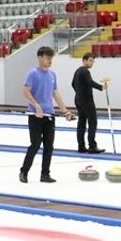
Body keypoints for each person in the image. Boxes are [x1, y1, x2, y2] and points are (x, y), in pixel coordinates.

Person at [19, 46, 72, 183]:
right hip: (35, 115)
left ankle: (45, 174)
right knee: (36, 144)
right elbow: (25, 91)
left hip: (49, 115)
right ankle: (24, 171)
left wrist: (65, 110)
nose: (50, 61)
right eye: (48, 58)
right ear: (40, 57)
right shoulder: (32, 73)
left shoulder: (52, 74)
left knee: (49, 146)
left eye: (51, 58)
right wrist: (36, 106)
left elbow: (55, 93)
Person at [71, 52, 109, 153]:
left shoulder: (77, 71)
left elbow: (72, 84)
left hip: (78, 99)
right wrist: (101, 87)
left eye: (93, 61)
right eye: (90, 61)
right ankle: (92, 146)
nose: (92, 63)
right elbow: (90, 82)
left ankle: (81, 146)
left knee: (81, 123)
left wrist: (79, 92)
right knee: (93, 122)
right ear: (84, 60)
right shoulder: (85, 71)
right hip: (86, 100)